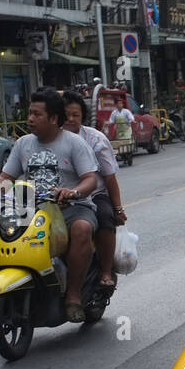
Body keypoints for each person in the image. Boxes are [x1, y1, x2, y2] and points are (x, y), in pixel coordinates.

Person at [0, 88, 99, 322]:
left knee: (82, 229)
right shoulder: (23, 143)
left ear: (54, 119)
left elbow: (91, 179)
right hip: (31, 209)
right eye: (30, 113)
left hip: (72, 208)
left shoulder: (74, 143)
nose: (30, 119)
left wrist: (73, 192)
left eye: (37, 114)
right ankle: (13, 284)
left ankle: (73, 295)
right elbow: (6, 177)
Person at [62, 90, 126, 293]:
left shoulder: (95, 140)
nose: (70, 120)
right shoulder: (47, 139)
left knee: (104, 217)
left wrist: (117, 208)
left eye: (75, 115)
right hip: (57, 197)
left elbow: (109, 177)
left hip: (92, 195)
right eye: (66, 115)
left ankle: (105, 271)